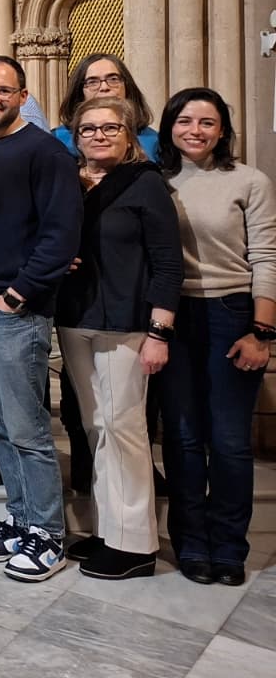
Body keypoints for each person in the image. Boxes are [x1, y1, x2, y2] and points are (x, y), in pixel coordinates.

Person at [0, 55, 81, 581]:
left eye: (4, 90)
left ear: (23, 96)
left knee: (27, 428)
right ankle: (21, 519)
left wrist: (18, 293)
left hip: (14, 310)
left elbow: (61, 234)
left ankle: (48, 534)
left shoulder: (46, 152)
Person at [56, 96, 183, 580]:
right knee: (96, 426)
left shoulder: (146, 183)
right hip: (76, 318)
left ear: (129, 134)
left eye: (110, 128)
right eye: (88, 129)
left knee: (123, 427)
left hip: (128, 323)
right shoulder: (71, 183)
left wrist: (159, 331)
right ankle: (109, 530)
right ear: (76, 136)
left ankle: (135, 545)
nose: (99, 136)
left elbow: (168, 263)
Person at [156, 87, 276, 586]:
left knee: (229, 440)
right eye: (185, 121)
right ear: (169, 127)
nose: (195, 131)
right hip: (171, 315)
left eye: (207, 122)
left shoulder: (249, 180)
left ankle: (229, 547)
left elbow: (266, 256)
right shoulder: (155, 180)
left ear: (222, 130)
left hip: (231, 311)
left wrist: (262, 332)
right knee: (183, 436)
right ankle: (191, 543)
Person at [54, 54, 159, 161]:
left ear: (127, 86)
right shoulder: (57, 140)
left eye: (113, 79)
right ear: (79, 92)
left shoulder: (154, 142)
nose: (104, 87)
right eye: (92, 82)